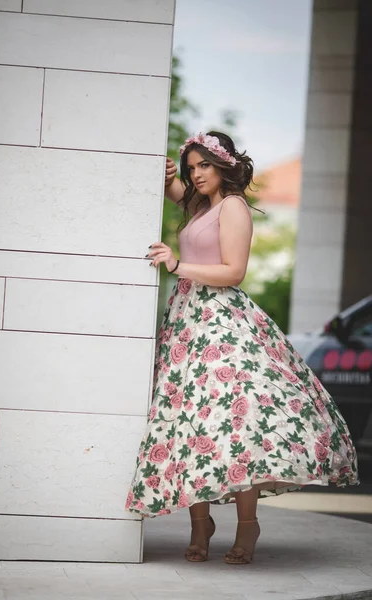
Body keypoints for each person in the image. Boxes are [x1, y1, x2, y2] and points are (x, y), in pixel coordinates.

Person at [125, 131, 359, 564]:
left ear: (225, 166)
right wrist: (167, 176)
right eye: (192, 167)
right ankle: (201, 525)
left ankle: (247, 528)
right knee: (190, 422)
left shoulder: (232, 207)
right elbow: (181, 193)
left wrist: (176, 264)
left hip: (222, 325)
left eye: (204, 166)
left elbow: (234, 272)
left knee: (236, 423)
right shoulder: (203, 205)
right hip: (186, 325)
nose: (197, 175)